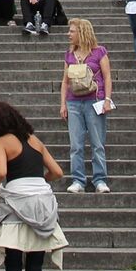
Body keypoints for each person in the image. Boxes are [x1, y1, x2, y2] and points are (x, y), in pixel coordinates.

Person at [0, 102, 67, 271]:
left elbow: (1, 172)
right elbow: (58, 172)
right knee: (35, 269)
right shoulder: (35, 140)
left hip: (16, 205)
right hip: (42, 204)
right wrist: (40, 180)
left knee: (14, 268)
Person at [58, 18, 112, 194]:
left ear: (81, 33)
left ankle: (100, 179)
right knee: (76, 144)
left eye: (72, 31)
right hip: (74, 101)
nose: (69, 34)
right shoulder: (69, 54)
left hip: (94, 100)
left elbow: (107, 76)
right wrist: (63, 104)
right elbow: (65, 81)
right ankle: (78, 179)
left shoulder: (99, 52)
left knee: (97, 143)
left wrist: (107, 99)